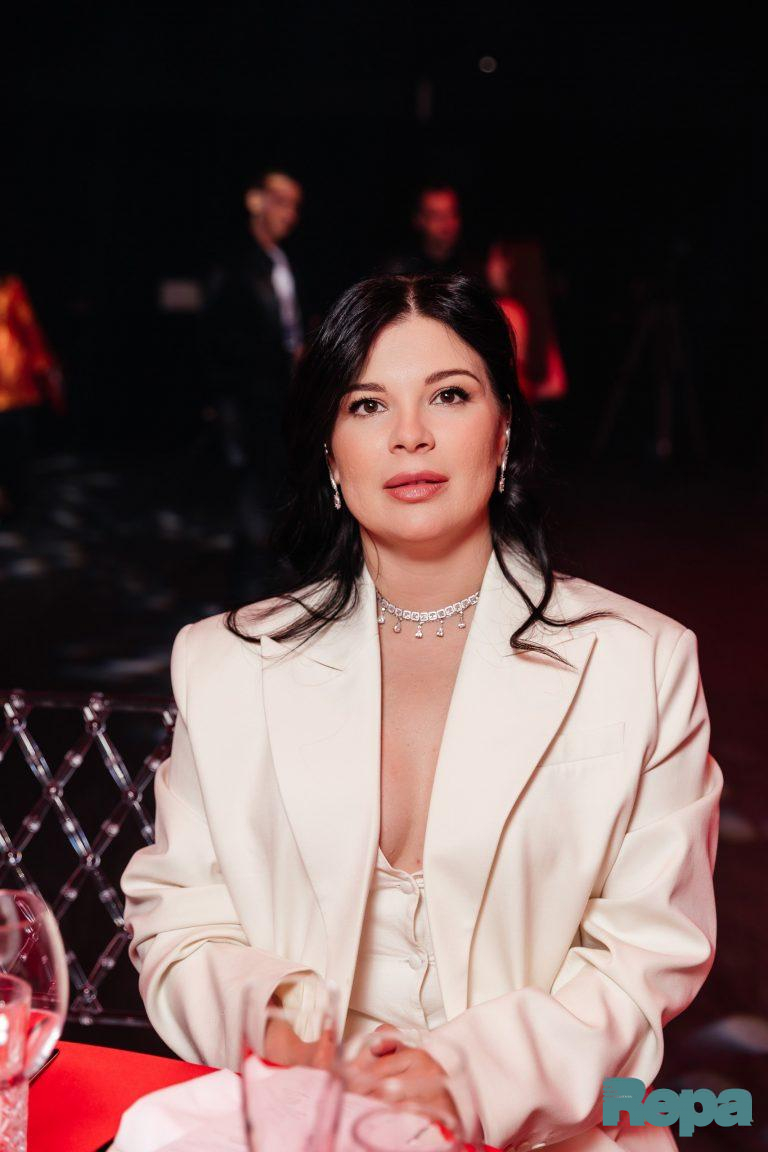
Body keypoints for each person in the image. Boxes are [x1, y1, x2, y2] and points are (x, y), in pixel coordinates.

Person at [122, 273, 722, 1151]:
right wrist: (278, 1018)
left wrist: (463, 1079)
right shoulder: (226, 663)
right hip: (306, 1121)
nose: (410, 434)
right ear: (331, 454)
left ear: (504, 430)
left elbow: (647, 958)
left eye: (449, 395)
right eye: (367, 405)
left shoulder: (640, 661)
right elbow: (179, 922)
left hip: (550, 1133)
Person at [203, 169, 304, 555]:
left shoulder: (281, 259)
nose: (289, 214)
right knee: (250, 500)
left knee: (272, 492)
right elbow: (217, 335)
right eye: (281, 202)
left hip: (278, 395)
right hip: (247, 399)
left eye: (294, 206)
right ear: (255, 200)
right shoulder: (235, 263)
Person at [0, 269, 64, 521]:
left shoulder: (11, 287)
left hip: (13, 383)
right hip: (12, 381)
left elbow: (28, 328)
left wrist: (44, 366)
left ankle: (16, 500)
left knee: (14, 447)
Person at [486, 238, 567, 404]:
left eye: (493, 259)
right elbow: (556, 385)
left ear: (508, 266)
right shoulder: (536, 313)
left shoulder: (507, 310)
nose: (488, 266)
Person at [384, 185, 472, 276]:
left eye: (452, 213)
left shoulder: (474, 266)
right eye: (436, 215)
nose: (446, 221)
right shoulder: (400, 271)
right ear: (418, 219)